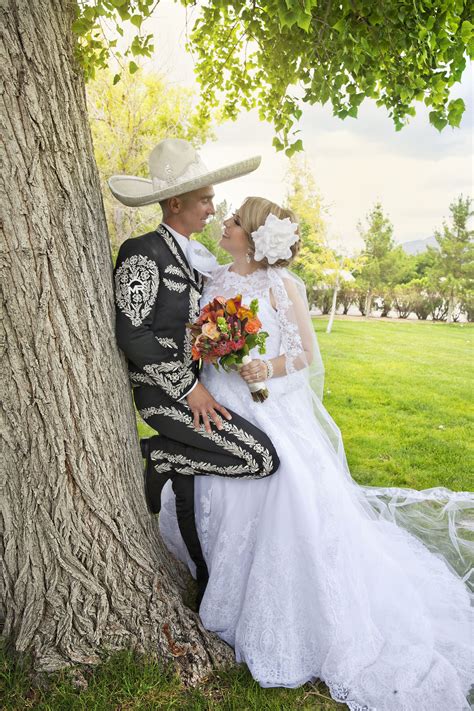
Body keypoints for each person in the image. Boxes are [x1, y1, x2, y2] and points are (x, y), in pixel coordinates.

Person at [159, 197, 473, 710]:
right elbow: (197, 332)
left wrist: (266, 369)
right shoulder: (211, 278)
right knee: (215, 474)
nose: (225, 223)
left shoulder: (281, 287)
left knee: (287, 481)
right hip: (217, 397)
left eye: (235, 221)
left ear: (255, 237)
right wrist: (207, 350)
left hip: (263, 400)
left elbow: (304, 353)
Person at [109, 141, 280, 608]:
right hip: (164, 395)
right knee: (259, 457)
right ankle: (161, 455)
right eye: (204, 199)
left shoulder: (198, 257)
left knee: (189, 494)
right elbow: (132, 333)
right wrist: (190, 389)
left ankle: (203, 582)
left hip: (197, 389)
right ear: (176, 203)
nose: (212, 207)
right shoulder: (141, 252)